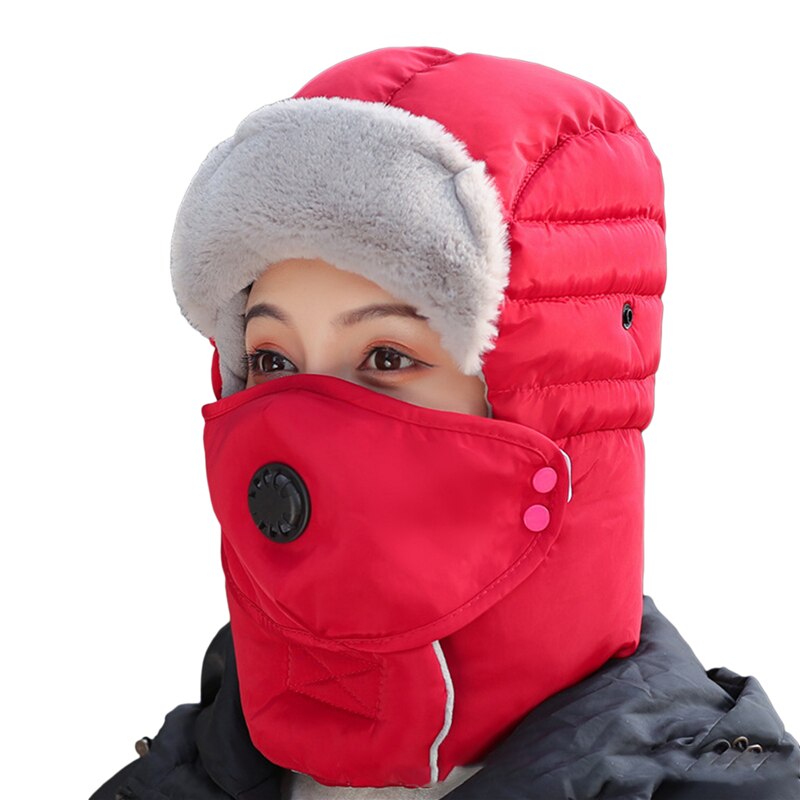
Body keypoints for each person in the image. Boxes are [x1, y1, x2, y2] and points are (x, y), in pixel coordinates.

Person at [89, 46, 800, 800]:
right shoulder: (195, 768)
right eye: (271, 360)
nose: (300, 426)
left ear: (546, 403)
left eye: (387, 357)